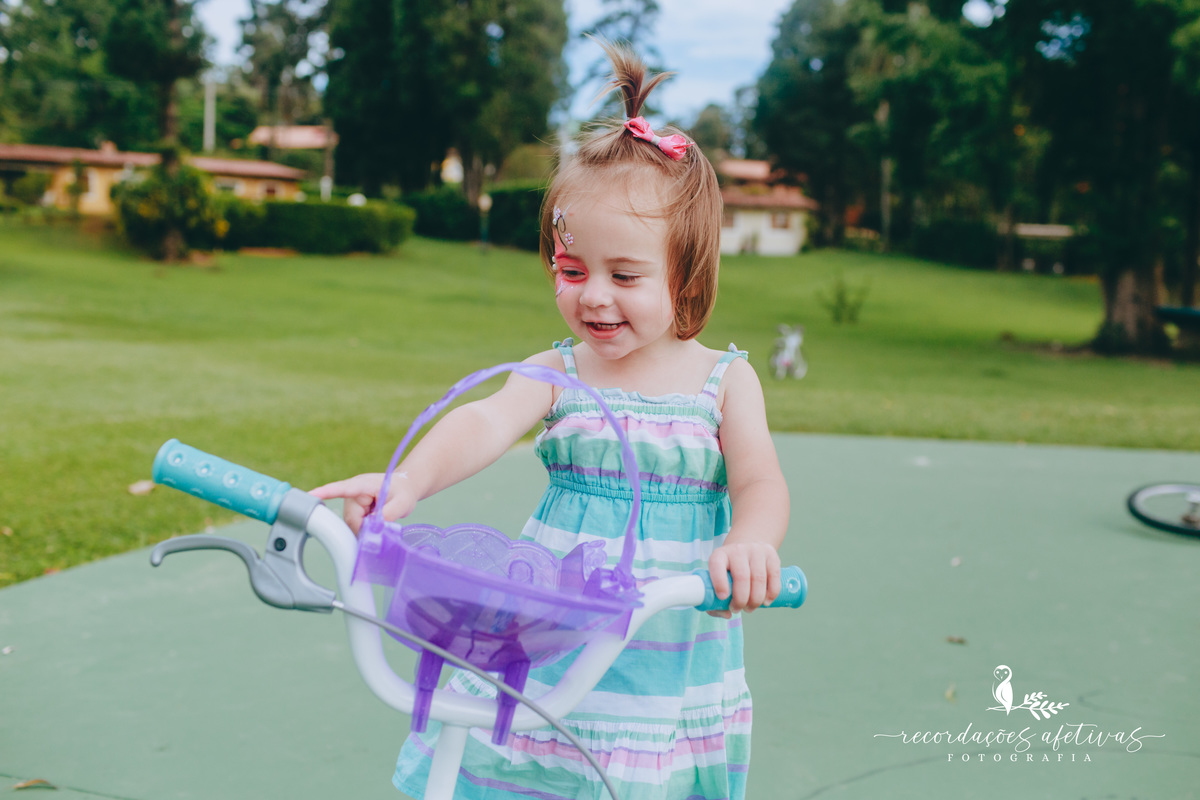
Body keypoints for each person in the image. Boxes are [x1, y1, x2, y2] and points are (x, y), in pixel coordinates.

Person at [311, 40, 790, 800]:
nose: (593, 296)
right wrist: (410, 479)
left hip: (666, 658)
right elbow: (486, 421)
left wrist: (750, 543)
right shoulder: (562, 369)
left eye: (624, 275)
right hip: (553, 640)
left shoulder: (724, 382)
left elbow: (760, 480)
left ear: (687, 274)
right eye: (572, 271)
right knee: (529, 774)